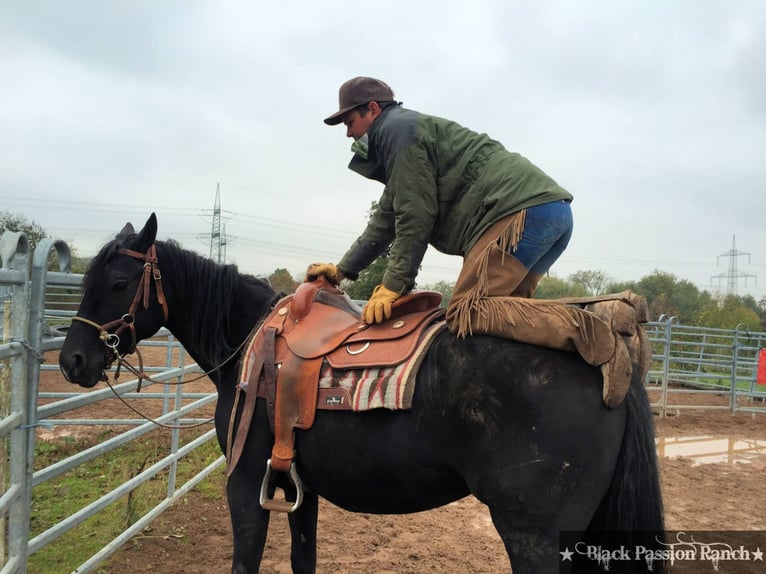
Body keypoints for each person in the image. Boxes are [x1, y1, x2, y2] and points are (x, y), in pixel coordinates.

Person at [307, 76, 642, 407]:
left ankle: (597, 334)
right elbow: (387, 218)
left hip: (516, 213)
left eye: (350, 122)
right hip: (548, 211)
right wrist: (343, 269)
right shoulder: (406, 135)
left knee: (469, 311)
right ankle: (610, 314)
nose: (349, 133)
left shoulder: (397, 132)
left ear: (373, 110)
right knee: (509, 320)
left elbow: (415, 216)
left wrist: (395, 284)